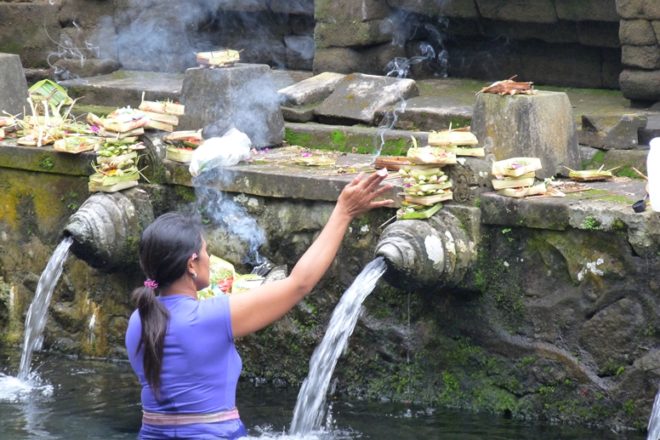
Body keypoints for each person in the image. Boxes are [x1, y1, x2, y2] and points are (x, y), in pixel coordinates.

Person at [125, 171, 393, 439]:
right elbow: (299, 284)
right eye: (206, 251)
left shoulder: (139, 319)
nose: (210, 257)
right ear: (191, 265)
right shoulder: (212, 317)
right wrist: (343, 212)